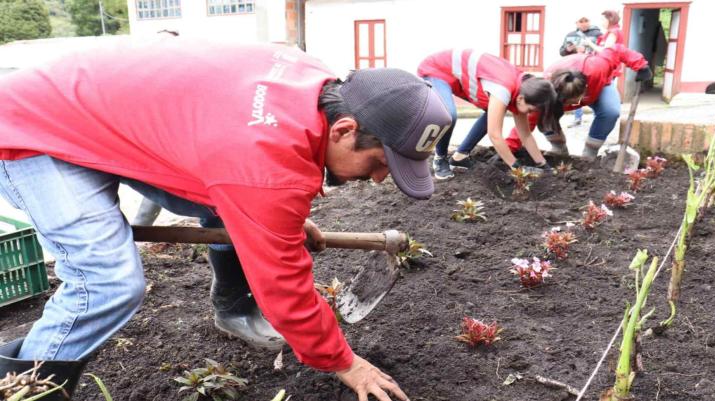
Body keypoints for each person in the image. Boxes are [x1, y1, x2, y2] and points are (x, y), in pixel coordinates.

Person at [0, 38, 453, 401]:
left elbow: (253, 179)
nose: (377, 180)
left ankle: (232, 311)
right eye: (379, 164)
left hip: (102, 112)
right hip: (32, 127)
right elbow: (285, 290)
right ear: (344, 129)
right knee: (106, 283)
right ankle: (24, 389)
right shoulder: (262, 167)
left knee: (228, 208)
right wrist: (344, 362)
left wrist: (280, 225)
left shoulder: (314, 81)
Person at [417, 49, 559, 179]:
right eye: (530, 110)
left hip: (456, 77)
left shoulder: (524, 89)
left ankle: (459, 158)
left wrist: (543, 166)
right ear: (521, 99)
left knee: (493, 115)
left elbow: (525, 134)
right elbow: (495, 136)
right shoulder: (502, 89)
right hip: (436, 69)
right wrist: (517, 168)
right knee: (447, 115)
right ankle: (440, 158)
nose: (530, 114)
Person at [505, 44, 651, 161]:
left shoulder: (598, 66)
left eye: (577, 101)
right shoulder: (545, 91)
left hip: (600, 87)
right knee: (543, 115)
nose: (576, 105)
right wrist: (507, 149)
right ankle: (559, 148)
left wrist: (640, 65)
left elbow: (616, 50)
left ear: (584, 90)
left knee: (610, 111)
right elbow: (525, 124)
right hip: (557, 96)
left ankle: (590, 152)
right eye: (570, 102)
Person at [559, 16, 602, 127]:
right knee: (576, 92)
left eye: (586, 21)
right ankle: (577, 118)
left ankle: (596, 117)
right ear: (576, 23)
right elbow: (562, 52)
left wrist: (588, 49)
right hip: (576, 68)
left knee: (595, 91)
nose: (583, 23)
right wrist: (568, 50)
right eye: (581, 21)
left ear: (590, 22)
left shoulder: (598, 34)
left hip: (593, 68)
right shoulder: (570, 35)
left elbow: (603, 50)